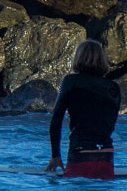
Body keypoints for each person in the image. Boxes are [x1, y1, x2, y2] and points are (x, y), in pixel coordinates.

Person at [47, 39, 119, 179]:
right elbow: (109, 124)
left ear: (78, 58)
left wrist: (55, 156)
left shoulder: (71, 81)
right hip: (106, 156)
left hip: (81, 155)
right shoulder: (113, 87)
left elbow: (56, 120)